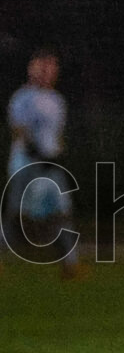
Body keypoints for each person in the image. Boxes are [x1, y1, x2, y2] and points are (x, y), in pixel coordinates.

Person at [3, 47, 80, 278]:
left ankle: (71, 265)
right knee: (15, 215)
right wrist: (36, 152)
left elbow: (57, 135)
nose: (47, 72)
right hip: (25, 165)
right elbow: (18, 129)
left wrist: (58, 155)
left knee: (63, 212)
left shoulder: (57, 100)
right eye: (42, 66)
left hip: (51, 166)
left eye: (51, 67)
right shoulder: (23, 97)